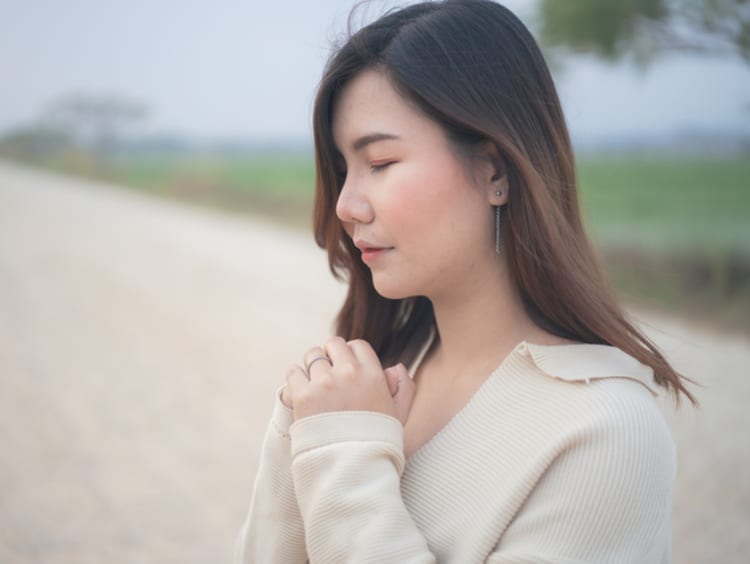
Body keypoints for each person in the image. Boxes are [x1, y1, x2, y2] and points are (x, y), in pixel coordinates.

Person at [235, 1, 695, 562]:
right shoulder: (374, 378)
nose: (346, 205)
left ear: (495, 172)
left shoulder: (606, 433)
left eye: (379, 163)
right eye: (342, 169)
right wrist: (304, 427)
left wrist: (343, 454)